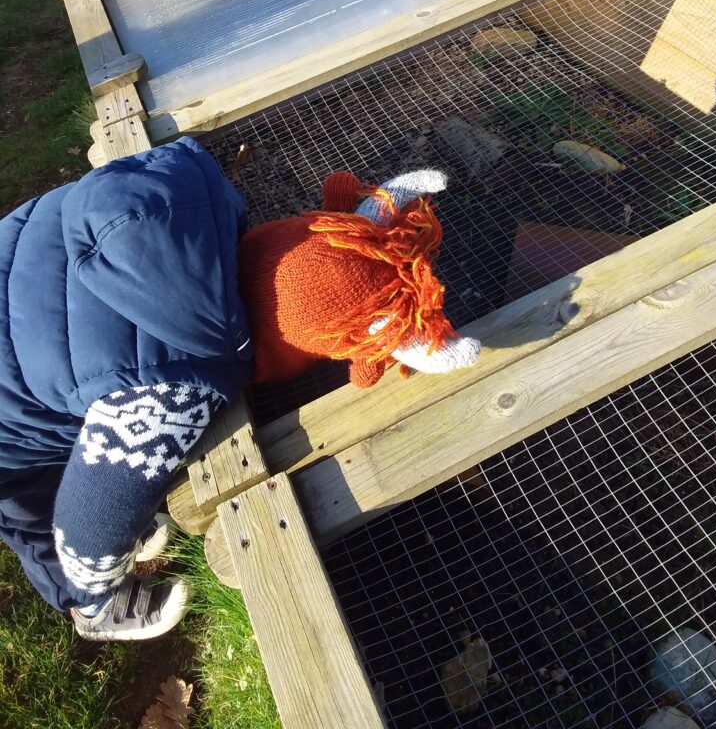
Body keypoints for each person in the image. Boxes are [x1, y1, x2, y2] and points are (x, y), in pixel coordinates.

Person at [0, 137, 479, 642]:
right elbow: (93, 508)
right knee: (30, 501)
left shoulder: (193, 197)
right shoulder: (173, 386)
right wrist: (93, 576)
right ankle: (91, 609)